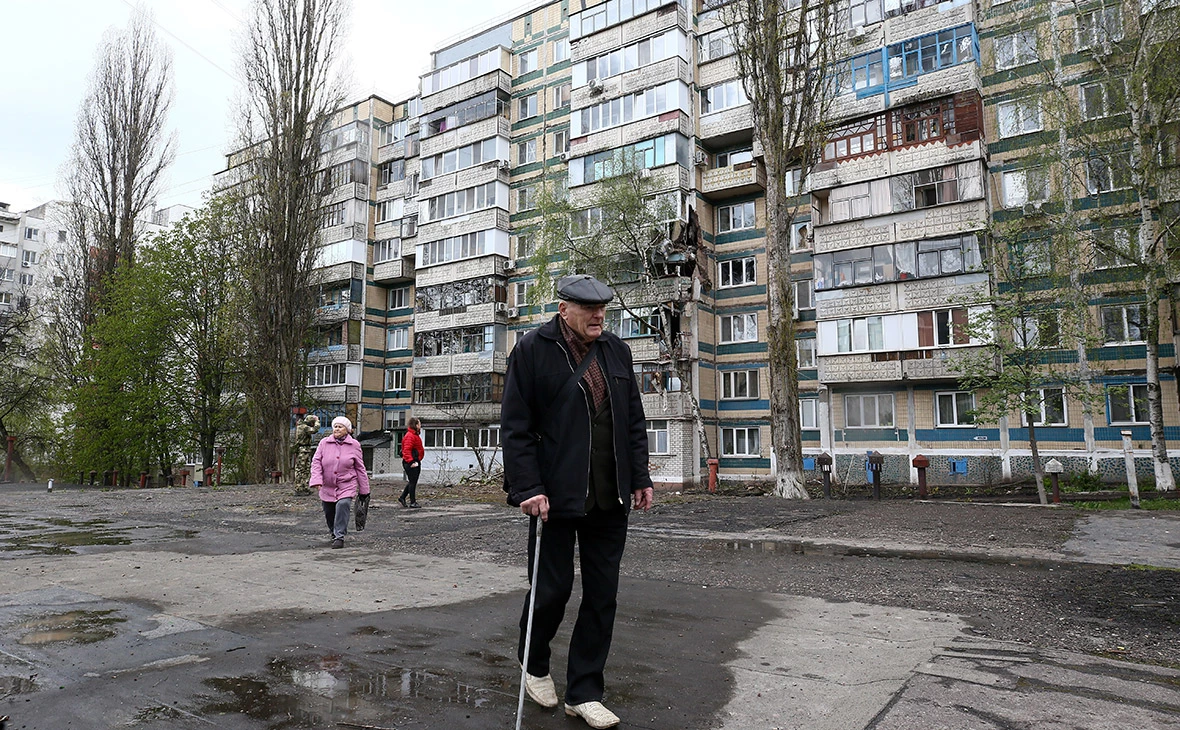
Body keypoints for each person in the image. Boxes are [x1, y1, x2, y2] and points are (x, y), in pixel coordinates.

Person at [500, 273, 654, 730]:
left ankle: (584, 691)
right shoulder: (532, 349)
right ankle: (535, 663)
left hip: (610, 496)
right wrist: (527, 488)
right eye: (588, 308)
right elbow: (516, 428)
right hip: (555, 497)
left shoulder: (616, 351)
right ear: (564, 308)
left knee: (602, 595)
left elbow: (633, 423)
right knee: (552, 590)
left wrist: (640, 476)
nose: (598, 315)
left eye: (603, 307)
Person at [309, 416, 370, 549]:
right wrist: (316, 480)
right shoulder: (324, 443)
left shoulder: (354, 445)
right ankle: (333, 531)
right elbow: (316, 462)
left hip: (346, 483)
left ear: (347, 430)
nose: (336, 429)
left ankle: (339, 536)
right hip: (328, 484)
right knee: (328, 511)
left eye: (340, 426)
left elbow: (360, 468)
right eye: (335, 426)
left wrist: (364, 490)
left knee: (343, 505)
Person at [399, 417, 424, 508]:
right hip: (411, 462)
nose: (420, 426)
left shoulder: (413, 435)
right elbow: (406, 450)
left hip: (414, 461)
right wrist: (411, 462)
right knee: (413, 482)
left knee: (412, 481)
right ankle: (412, 502)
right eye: (419, 424)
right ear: (416, 425)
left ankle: (402, 497)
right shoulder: (410, 435)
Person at [293, 414, 320, 493]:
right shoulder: (303, 427)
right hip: (302, 449)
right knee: (301, 469)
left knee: (306, 469)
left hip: (306, 449)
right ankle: (299, 488)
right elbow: (314, 430)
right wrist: (317, 421)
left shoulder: (302, 426)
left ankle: (304, 486)